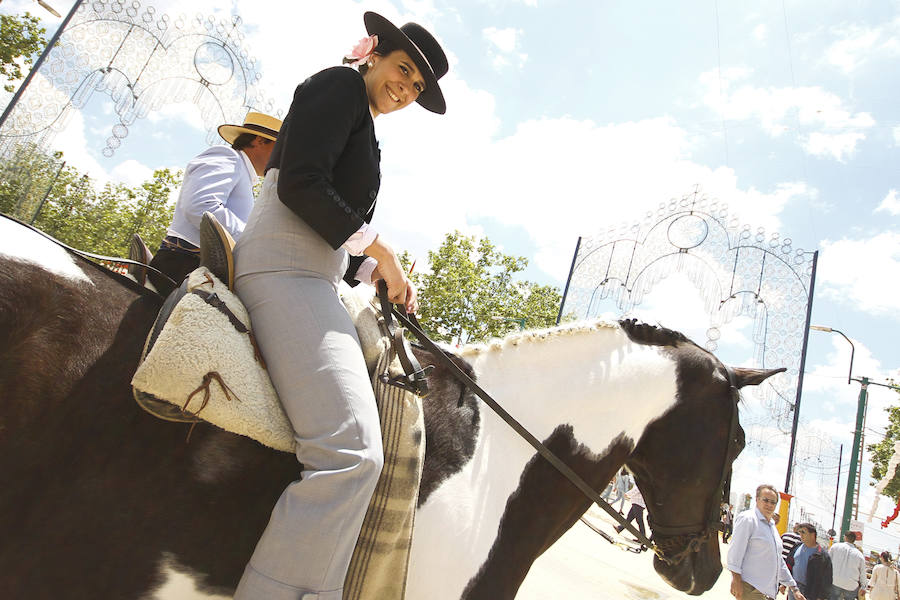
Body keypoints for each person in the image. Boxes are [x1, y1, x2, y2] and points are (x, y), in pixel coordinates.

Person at [230, 12, 448, 600]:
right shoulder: (338, 85)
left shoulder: (363, 116)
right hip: (282, 267)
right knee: (351, 456)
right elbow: (301, 184)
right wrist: (379, 246)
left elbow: (331, 225)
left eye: (416, 87)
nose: (405, 89)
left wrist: (373, 270)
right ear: (374, 55)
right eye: (403, 70)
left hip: (316, 272)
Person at [146, 111, 282, 294]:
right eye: (279, 149)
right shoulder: (228, 156)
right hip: (184, 267)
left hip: (200, 270)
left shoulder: (242, 172)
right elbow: (201, 205)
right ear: (259, 140)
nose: (281, 159)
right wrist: (252, 240)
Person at [727, 484, 806, 600]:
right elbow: (735, 551)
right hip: (751, 589)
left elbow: (778, 561)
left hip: (768, 593)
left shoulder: (771, 527)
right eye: (766, 500)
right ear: (757, 499)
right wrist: (736, 579)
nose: (769, 505)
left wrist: (794, 588)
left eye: (773, 502)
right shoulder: (748, 519)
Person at [785, 522, 833, 600]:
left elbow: (827, 579)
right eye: (799, 532)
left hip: (810, 592)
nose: (801, 535)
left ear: (813, 534)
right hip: (794, 588)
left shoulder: (822, 555)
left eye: (803, 532)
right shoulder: (797, 547)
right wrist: (784, 584)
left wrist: (821, 597)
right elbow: (789, 565)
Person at [829, 531, 868, 600]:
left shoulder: (835, 547)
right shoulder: (859, 555)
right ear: (854, 540)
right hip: (851, 586)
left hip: (835, 581)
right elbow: (863, 573)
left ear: (845, 537)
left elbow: (827, 562)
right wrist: (863, 587)